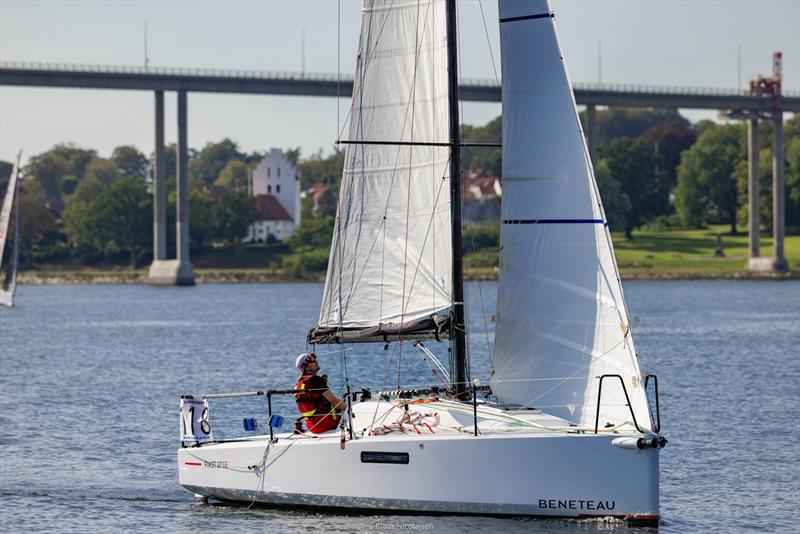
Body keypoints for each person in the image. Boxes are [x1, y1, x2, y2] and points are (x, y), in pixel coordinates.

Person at [294, 353, 347, 434]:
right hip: (325, 423)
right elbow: (334, 401)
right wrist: (349, 408)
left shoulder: (299, 383)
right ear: (307, 366)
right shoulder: (316, 380)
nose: (316, 362)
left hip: (311, 426)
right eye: (312, 360)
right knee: (351, 417)